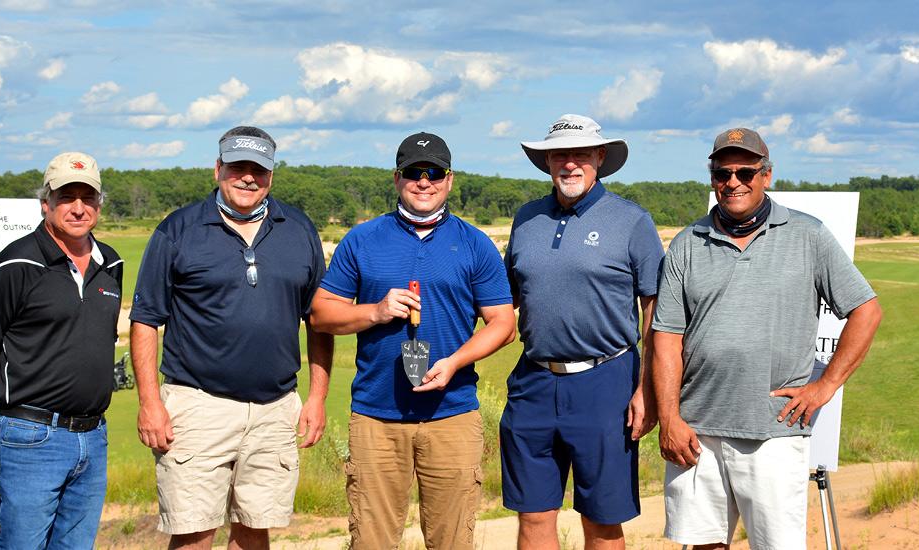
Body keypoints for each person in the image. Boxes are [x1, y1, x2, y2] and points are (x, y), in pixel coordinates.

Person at [652, 127, 882, 549]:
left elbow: (866, 311)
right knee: (702, 544)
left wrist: (825, 385)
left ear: (767, 175)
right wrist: (669, 418)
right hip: (697, 431)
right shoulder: (687, 243)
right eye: (723, 173)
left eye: (745, 172)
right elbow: (666, 338)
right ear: (712, 178)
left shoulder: (807, 235)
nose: (734, 182)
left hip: (773, 432)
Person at [129, 126, 333, 549]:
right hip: (198, 406)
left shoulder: (298, 228)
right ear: (217, 169)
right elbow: (146, 318)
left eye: (258, 169)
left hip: (275, 409)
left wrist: (316, 398)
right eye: (237, 167)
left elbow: (319, 320)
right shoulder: (178, 229)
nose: (247, 177)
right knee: (193, 532)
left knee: (255, 528)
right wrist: (150, 403)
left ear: (271, 176)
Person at [309, 132, 516, 549]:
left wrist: (454, 362)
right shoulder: (363, 240)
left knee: (452, 542)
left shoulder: (474, 243)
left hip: (452, 416)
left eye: (434, 172)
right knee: (371, 542)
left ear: (450, 179)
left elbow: (503, 324)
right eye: (413, 173)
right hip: (376, 418)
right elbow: (320, 314)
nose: (424, 182)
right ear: (396, 178)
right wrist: (376, 311)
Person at [501, 114, 664, 549]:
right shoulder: (528, 218)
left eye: (580, 154)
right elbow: (506, 299)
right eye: (560, 155)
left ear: (599, 158)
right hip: (533, 380)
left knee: (602, 519)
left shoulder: (631, 221)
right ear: (547, 161)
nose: (569, 164)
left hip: (606, 381)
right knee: (533, 515)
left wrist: (646, 388)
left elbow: (654, 311)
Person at [0, 151, 123, 548]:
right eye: (66, 197)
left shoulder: (110, 264)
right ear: (45, 203)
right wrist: (14, 411)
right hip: (29, 440)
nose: (78, 208)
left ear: (99, 204)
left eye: (88, 197)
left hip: (93, 435)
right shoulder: (15, 265)